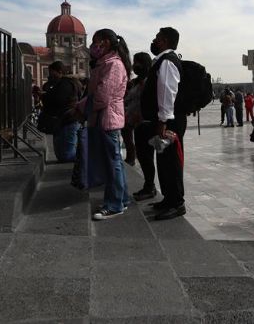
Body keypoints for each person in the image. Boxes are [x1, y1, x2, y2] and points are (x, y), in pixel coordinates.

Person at [77, 29, 131, 220]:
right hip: (103, 118)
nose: (92, 46)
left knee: (112, 163)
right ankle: (121, 199)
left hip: (107, 119)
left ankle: (114, 204)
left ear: (106, 43)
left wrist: (80, 108)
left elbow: (102, 96)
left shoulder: (113, 65)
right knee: (114, 161)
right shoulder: (104, 63)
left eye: (95, 41)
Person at [142, 27, 189, 220]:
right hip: (164, 119)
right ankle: (168, 198)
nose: (154, 41)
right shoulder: (162, 60)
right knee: (163, 161)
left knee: (172, 162)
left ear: (166, 41)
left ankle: (177, 203)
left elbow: (167, 92)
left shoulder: (168, 62)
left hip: (169, 121)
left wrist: (163, 120)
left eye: (157, 38)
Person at [126, 52, 158, 202]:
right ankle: (148, 185)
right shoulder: (136, 82)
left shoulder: (151, 80)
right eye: (134, 62)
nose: (135, 65)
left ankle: (150, 187)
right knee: (143, 157)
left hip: (147, 124)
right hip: (136, 124)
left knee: (146, 157)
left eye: (138, 62)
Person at [42, 61, 82, 164]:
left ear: (59, 71)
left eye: (52, 73)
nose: (50, 76)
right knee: (63, 153)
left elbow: (59, 100)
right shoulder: (68, 82)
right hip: (67, 119)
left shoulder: (65, 84)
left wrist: (45, 96)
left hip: (67, 119)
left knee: (66, 155)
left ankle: (84, 162)